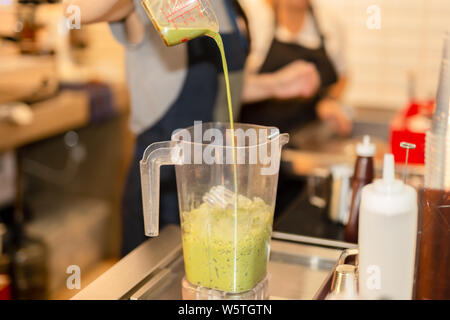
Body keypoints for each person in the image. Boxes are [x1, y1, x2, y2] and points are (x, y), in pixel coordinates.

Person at [64, 0, 321, 255]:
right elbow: (77, 10)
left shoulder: (227, 7)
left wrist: (274, 85)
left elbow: (218, 89)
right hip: (163, 186)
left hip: (217, 182)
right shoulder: (152, 5)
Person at [240, 0, 352, 136]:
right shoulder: (256, 17)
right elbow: (238, 82)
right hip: (257, 136)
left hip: (306, 137)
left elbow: (342, 76)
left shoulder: (327, 20)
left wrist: (330, 100)